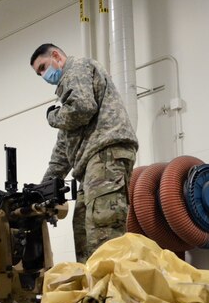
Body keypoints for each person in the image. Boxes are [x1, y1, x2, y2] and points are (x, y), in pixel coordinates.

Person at [30, 43, 138, 263]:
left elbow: (82, 108)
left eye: (42, 67)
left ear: (56, 55)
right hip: (92, 164)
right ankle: (93, 294)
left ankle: (112, 294)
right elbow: (62, 150)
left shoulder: (76, 68)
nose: (43, 75)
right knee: (82, 230)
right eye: (39, 73)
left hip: (106, 153)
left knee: (103, 232)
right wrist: (41, 190)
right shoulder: (67, 94)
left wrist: (53, 118)